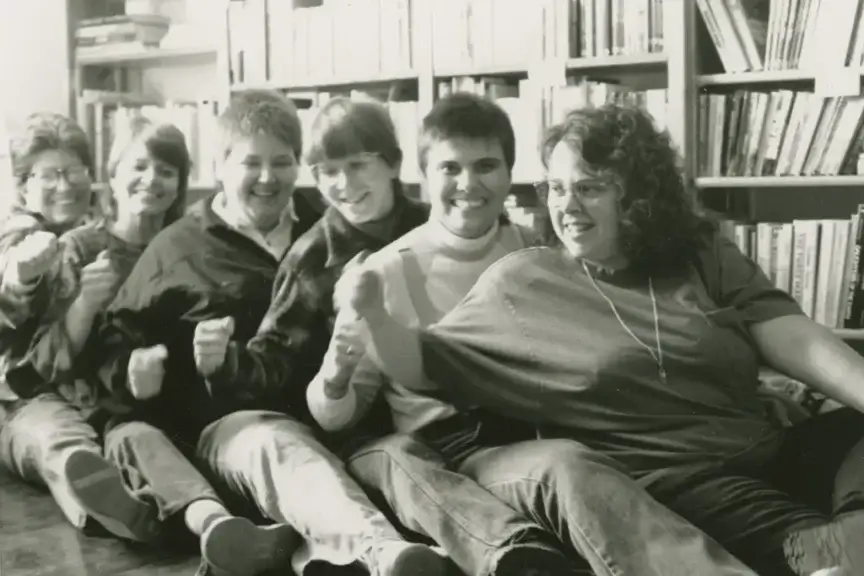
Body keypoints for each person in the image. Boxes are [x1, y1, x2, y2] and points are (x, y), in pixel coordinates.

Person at [350, 102, 864, 576]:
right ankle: (831, 552)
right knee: (819, 546)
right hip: (676, 478)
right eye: (555, 188)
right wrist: (373, 314)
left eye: (590, 187)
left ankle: (849, 535)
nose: (567, 206)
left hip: (768, 446)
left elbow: (787, 332)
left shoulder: (698, 250)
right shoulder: (523, 283)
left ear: (637, 194)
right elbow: (421, 362)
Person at [98, 91, 443, 576]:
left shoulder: (331, 218)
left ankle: (323, 553)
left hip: (345, 417)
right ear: (220, 165)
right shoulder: (175, 248)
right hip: (237, 426)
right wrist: (135, 374)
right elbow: (115, 345)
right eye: (251, 162)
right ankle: (383, 554)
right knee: (276, 445)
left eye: (282, 162)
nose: (267, 178)